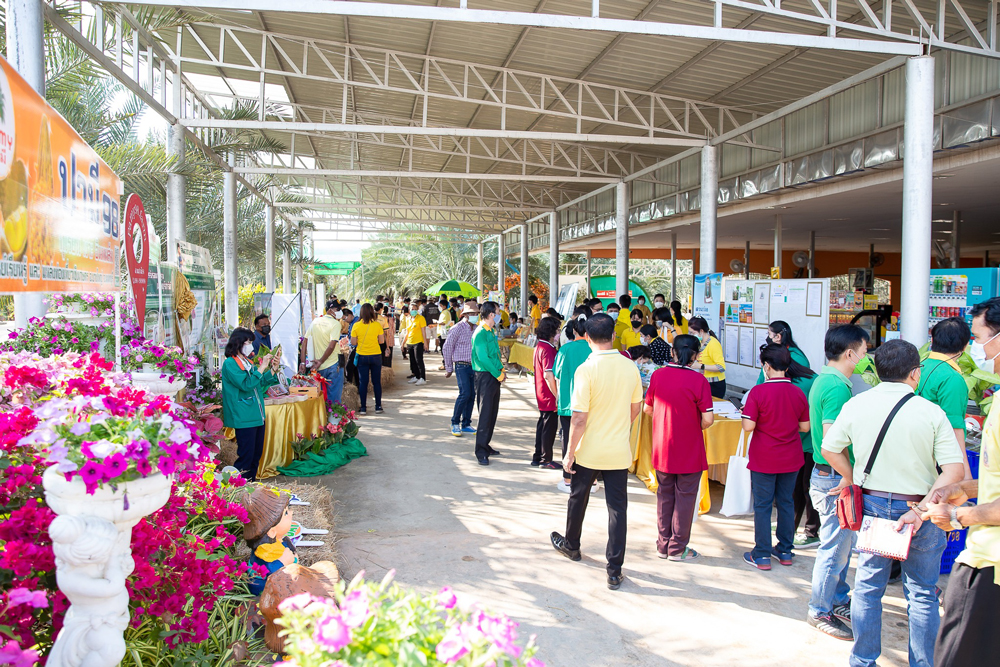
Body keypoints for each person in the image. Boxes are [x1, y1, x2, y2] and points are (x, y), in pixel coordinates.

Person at [822, 339, 965, 667]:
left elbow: (830, 449)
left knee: (868, 588)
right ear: (916, 373)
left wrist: (854, 476)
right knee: (922, 594)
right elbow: (953, 471)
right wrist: (921, 508)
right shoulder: (931, 412)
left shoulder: (856, 405)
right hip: (919, 510)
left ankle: (863, 660)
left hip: (872, 507)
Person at [926, 297, 1000, 666]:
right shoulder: (961, 381)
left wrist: (959, 517)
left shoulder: (924, 369)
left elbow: (957, 431)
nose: (976, 347)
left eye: (980, 336)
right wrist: (964, 487)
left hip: (991, 565)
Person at [551, 313, 643, 591]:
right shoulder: (630, 367)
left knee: (578, 499)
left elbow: (578, 418)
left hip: (588, 450)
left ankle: (572, 545)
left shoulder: (586, 369)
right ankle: (614, 569)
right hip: (617, 450)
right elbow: (635, 408)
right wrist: (617, 425)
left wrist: (568, 453)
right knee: (617, 510)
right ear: (614, 335)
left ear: (587, 337)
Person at [805, 324, 870, 640]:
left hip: (828, 474)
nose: (865, 355)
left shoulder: (825, 379)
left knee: (840, 547)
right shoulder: (837, 388)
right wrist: (848, 476)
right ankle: (819, 610)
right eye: (864, 349)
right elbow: (831, 440)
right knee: (834, 550)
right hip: (833, 477)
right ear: (850, 352)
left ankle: (837, 599)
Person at [643, 334, 714, 561]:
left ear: (673, 352)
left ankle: (663, 544)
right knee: (685, 496)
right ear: (695, 356)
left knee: (664, 495)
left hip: (663, 445)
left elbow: (648, 409)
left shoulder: (658, 375)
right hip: (689, 446)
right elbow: (709, 419)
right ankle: (677, 547)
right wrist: (693, 425)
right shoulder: (699, 381)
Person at [741, 344, 810, 571]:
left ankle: (761, 554)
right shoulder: (798, 392)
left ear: (766, 366)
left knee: (762, 505)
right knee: (786, 503)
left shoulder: (758, 392)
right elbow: (804, 427)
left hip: (764, 457)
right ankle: (785, 550)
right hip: (791, 456)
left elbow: (748, 426)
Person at [754, 321, 820, 549]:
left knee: (803, 490)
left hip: (798, 446)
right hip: (795, 447)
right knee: (790, 495)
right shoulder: (798, 384)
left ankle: (808, 531)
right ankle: (786, 541)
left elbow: (803, 424)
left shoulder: (790, 385)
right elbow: (803, 424)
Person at [918, 317, 974, 479]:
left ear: (933, 340)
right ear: (965, 346)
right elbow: (954, 428)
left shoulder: (918, 365)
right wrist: (965, 474)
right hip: (938, 460)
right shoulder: (952, 378)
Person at [221, 328, 280, 481]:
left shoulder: (247, 362)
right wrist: (261, 367)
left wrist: (272, 369)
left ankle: (250, 484)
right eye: (248, 342)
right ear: (238, 343)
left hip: (257, 414)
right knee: (246, 457)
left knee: (255, 455)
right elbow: (246, 385)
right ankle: (240, 487)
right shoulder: (230, 364)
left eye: (251, 342)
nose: (251, 346)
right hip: (243, 415)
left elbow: (258, 384)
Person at [553, 314, 592, 493]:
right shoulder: (594, 350)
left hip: (569, 403)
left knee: (568, 441)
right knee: (589, 440)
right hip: (591, 403)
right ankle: (590, 481)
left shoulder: (565, 350)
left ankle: (568, 479)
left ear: (574, 331)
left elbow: (557, 373)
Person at [471, 301, 505, 465]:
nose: (499, 314)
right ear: (491, 314)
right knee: (485, 414)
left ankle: (486, 444)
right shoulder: (480, 333)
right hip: (485, 376)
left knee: (492, 412)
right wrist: (497, 373)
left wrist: (501, 370)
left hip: (493, 375)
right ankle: (481, 452)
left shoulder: (490, 331)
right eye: (498, 312)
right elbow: (483, 358)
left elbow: (495, 355)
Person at [444, 303, 480, 437]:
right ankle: (455, 422)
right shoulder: (457, 328)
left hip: (474, 366)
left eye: (476, 314)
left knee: (472, 395)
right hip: (461, 365)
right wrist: (448, 367)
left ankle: (466, 423)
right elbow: (447, 348)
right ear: (464, 315)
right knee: (464, 393)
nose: (474, 316)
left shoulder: (477, 328)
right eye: (471, 314)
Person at [532, 317, 562, 470]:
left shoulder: (540, 346)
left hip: (541, 392)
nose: (559, 333)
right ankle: (546, 459)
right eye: (557, 330)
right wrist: (557, 395)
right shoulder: (548, 349)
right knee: (549, 427)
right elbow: (549, 375)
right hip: (549, 394)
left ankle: (538, 456)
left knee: (543, 425)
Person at [305, 299, 345, 406]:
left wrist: (303, 363)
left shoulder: (315, 322)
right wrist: (321, 361)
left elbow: (305, 340)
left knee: (321, 398)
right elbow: (331, 346)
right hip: (333, 365)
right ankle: (334, 422)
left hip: (319, 368)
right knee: (334, 399)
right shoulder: (335, 324)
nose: (340, 311)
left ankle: (323, 420)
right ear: (330, 310)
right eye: (338, 309)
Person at [351, 303, 386, 416]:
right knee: (376, 382)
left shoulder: (356, 326)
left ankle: (363, 408)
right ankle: (378, 406)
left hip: (362, 356)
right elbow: (381, 342)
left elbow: (353, 343)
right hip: (376, 355)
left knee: (363, 383)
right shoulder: (377, 325)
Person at [689, 317, 726, 399]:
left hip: (715, 385)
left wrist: (701, 366)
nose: (691, 335)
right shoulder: (699, 342)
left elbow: (721, 367)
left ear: (701, 331)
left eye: (692, 332)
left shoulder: (713, 344)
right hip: (703, 382)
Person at [405, 302, 428, 385]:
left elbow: (423, 331)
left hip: (418, 342)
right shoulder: (408, 319)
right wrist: (403, 343)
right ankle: (416, 376)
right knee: (412, 361)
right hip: (410, 342)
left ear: (417, 309)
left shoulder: (421, 318)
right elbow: (407, 332)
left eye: (415, 309)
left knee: (419, 360)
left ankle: (422, 377)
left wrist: (425, 343)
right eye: (412, 309)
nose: (413, 311)